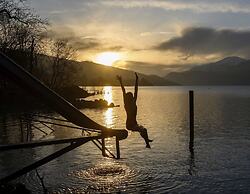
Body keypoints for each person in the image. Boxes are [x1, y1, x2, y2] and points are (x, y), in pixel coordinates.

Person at [117, 73, 153, 148]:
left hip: (134, 124)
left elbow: (134, 90)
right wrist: (121, 82)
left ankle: (147, 141)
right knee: (143, 130)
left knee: (143, 130)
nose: (133, 96)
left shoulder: (131, 103)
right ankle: (147, 143)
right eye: (132, 96)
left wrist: (136, 79)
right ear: (130, 98)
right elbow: (125, 91)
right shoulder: (128, 104)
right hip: (130, 125)